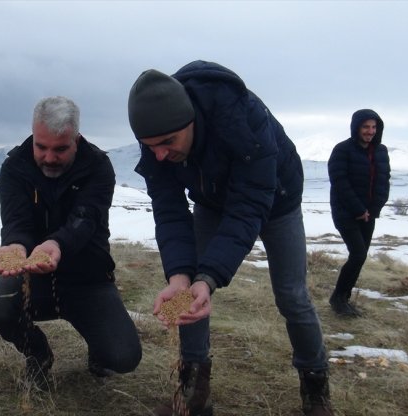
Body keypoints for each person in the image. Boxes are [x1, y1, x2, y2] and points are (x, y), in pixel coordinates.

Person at [128, 61, 332, 416]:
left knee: (292, 295)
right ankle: (193, 391)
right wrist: (181, 275)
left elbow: (250, 204)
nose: (160, 154)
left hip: (277, 200)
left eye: (167, 143)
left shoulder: (241, 118)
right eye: (150, 147)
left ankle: (315, 387)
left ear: (189, 121)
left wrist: (210, 276)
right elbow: (169, 210)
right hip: (212, 200)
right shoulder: (156, 135)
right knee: (189, 291)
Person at [0, 96, 142, 391]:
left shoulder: (98, 166)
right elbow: (17, 221)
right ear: (33, 134)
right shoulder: (15, 167)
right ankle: (38, 354)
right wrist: (16, 245)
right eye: (41, 147)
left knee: (123, 357)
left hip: (89, 280)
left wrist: (56, 245)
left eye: (60, 149)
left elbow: (85, 220)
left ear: (76, 139)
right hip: (36, 281)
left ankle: (99, 351)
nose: (49, 157)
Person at [327, 109, 390, 317]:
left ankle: (343, 298)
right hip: (346, 212)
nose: (370, 131)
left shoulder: (380, 151)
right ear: (356, 128)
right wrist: (358, 209)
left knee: (360, 257)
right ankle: (338, 298)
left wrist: (373, 209)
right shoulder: (342, 150)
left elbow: (383, 182)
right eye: (366, 127)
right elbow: (340, 182)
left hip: (369, 214)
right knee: (358, 254)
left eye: (374, 127)